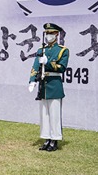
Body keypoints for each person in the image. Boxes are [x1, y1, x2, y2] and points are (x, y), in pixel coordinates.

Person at [29, 23, 69, 152]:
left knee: (54, 114)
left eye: (51, 33)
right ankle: (46, 138)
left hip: (54, 84)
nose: (49, 36)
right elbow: (35, 67)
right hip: (43, 85)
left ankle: (55, 139)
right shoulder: (41, 50)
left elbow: (62, 67)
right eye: (47, 33)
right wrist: (32, 80)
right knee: (44, 114)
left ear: (57, 34)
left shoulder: (63, 50)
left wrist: (49, 63)